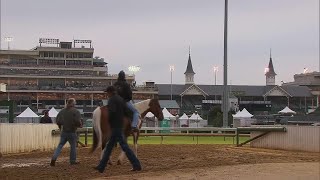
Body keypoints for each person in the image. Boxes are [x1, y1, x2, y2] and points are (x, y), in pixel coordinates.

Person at [94, 86, 141, 173]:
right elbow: (127, 112)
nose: (107, 95)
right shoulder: (120, 99)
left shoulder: (111, 100)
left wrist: (110, 123)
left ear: (110, 92)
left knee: (124, 147)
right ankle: (101, 166)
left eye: (107, 93)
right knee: (109, 148)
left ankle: (136, 164)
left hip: (115, 127)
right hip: (119, 126)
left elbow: (111, 113)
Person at [50, 98, 82, 166]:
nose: (75, 104)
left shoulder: (62, 111)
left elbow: (58, 121)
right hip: (72, 132)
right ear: (73, 104)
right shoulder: (76, 111)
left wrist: (60, 127)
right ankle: (72, 161)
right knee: (73, 146)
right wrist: (80, 125)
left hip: (64, 132)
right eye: (75, 103)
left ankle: (53, 158)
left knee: (60, 146)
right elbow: (77, 121)